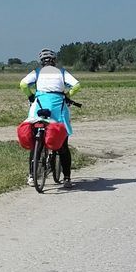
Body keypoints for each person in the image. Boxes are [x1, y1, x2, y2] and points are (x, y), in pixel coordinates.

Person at [19, 48, 80, 186]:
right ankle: (67, 178)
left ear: (42, 61)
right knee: (63, 143)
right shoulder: (62, 72)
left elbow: (23, 84)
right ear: (54, 61)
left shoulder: (37, 72)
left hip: (38, 108)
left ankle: (31, 176)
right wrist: (68, 95)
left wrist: (30, 95)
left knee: (36, 142)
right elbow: (77, 85)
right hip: (58, 107)